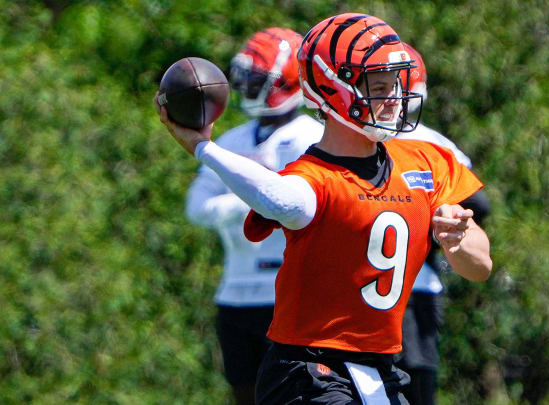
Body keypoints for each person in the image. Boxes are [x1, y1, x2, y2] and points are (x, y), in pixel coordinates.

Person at [156, 12, 492, 404]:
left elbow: (481, 267)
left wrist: (458, 237)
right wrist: (204, 148)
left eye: (396, 84)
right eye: (380, 86)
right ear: (334, 89)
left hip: (382, 368)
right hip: (308, 371)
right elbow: (282, 198)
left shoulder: (425, 160)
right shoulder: (315, 175)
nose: (394, 98)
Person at [184, 27, 323, 405]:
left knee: (292, 395)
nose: (245, 87)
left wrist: (242, 196)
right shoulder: (232, 141)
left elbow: (294, 208)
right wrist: (250, 199)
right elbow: (196, 207)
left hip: (287, 293)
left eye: (256, 80)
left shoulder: (310, 139)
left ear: (286, 80)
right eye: (244, 78)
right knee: (244, 396)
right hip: (235, 290)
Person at [393, 42, 490, 405]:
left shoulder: (428, 145)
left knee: (414, 387)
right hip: (350, 296)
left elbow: (478, 204)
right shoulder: (336, 145)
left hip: (413, 289)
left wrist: (440, 229)